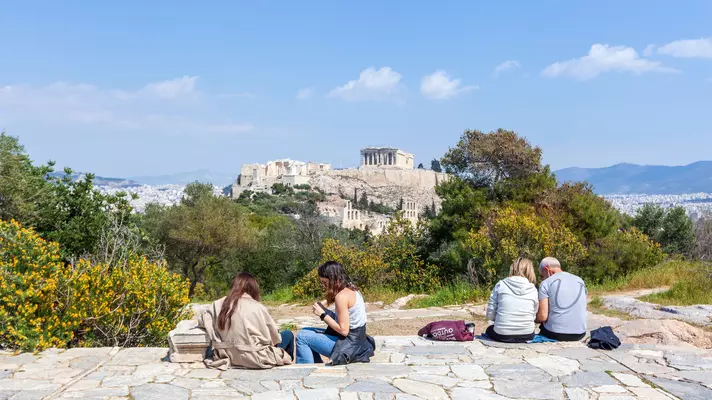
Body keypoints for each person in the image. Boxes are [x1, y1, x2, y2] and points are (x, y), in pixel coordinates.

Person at [198, 272, 294, 369]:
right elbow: (275, 338)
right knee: (288, 334)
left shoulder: (218, 304)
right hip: (255, 358)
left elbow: (202, 320)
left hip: (226, 355)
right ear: (253, 288)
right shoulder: (258, 307)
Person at [295, 261, 374, 365]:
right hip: (358, 341)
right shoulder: (351, 288)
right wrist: (323, 306)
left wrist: (322, 315)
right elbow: (334, 301)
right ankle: (316, 364)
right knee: (306, 330)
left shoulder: (341, 297)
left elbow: (344, 330)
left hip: (348, 347)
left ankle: (305, 370)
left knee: (302, 336)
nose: (323, 286)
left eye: (325, 283)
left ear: (334, 280)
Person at [485, 257, 539, 343]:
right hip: (527, 334)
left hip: (502, 334)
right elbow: (533, 315)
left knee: (489, 329)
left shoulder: (501, 284)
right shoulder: (533, 289)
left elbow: (490, 315)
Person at [536, 257, 587, 341]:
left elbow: (543, 317)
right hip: (580, 333)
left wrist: (533, 319)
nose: (542, 278)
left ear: (547, 269)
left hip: (556, 334)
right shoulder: (580, 280)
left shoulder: (546, 283)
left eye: (542, 275)